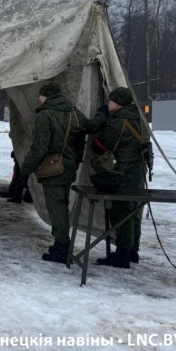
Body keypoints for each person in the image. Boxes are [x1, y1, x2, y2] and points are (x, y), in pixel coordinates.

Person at [20, 82, 87, 263]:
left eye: (41, 96)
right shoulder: (74, 112)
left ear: (46, 96)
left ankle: (62, 247)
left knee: (57, 208)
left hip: (53, 169)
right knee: (62, 205)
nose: (39, 99)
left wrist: (25, 171)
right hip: (69, 167)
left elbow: (39, 148)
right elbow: (86, 127)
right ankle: (60, 243)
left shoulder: (46, 115)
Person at [82, 87, 146, 268]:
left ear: (118, 103)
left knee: (122, 212)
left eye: (110, 100)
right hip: (139, 172)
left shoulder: (118, 121)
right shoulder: (138, 117)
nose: (107, 103)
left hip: (122, 173)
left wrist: (101, 120)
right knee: (133, 212)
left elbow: (99, 146)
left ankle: (122, 254)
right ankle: (133, 250)